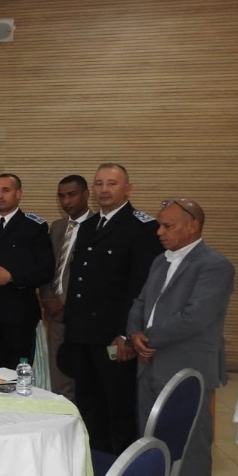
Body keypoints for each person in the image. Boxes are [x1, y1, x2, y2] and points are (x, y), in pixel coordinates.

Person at [127, 198, 234, 476]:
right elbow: (141, 301)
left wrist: (148, 338)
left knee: (190, 441)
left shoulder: (214, 265)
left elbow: (195, 317)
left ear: (193, 226)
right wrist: (134, 333)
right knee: (152, 435)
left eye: (167, 226)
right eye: (159, 225)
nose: (159, 232)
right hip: (149, 362)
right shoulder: (160, 261)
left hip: (187, 368)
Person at [61, 163, 162, 455]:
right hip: (83, 336)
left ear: (128, 189)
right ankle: (94, 464)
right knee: (88, 405)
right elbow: (79, 283)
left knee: (117, 406)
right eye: (99, 184)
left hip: (114, 339)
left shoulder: (142, 228)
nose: (104, 190)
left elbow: (140, 289)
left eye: (112, 184)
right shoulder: (89, 226)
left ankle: (120, 469)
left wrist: (127, 334)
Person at [0, 173, 54, 369]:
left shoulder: (33, 226)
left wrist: (13, 277)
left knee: (18, 373)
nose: (0, 195)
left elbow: (46, 269)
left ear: (19, 194)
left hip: (19, 316)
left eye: (6, 190)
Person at [37, 175, 92, 400]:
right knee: (59, 376)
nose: (66, 201)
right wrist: (48, 298)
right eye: (61, 196)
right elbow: (47, 266)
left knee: (85, 377)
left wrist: (66, 305)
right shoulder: (58, 227)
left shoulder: (97, 227)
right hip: (54, 313)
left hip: (83, 315)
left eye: (72, 195)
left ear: (86, 194)